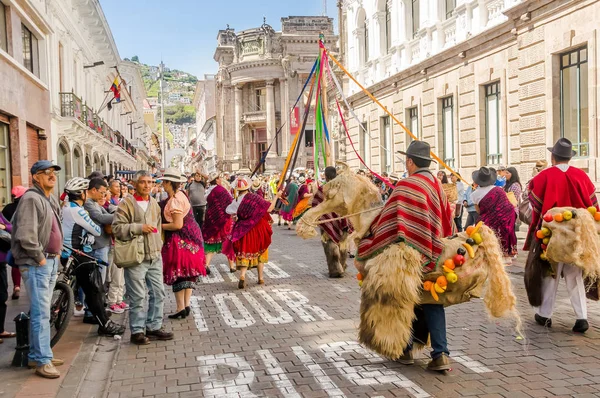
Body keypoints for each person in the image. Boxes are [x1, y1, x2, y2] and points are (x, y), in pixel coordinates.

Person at [354, 141, 455, 371]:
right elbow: (447, 219)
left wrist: (368, 238)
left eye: (405, 160)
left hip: (406, 257)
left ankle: (406, 350)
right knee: (431, 301)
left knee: (402, 300)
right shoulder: (436, 185)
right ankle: (441, 355)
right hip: (434, 252)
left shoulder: (405, 186)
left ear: (410, 161)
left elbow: (387, 219)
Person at [524, 138, 598, 333]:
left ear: (552, 156)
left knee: (550, 272)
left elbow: (535, 208)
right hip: (577, 233)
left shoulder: (543, 176)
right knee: (574, 274)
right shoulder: (581, 176)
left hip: (552, 232)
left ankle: (545, 315)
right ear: (569, 158)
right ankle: (581, 317)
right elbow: (593, 207)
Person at [11, 160, 64, 378]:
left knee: (41, 311)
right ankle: (43, 361)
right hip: (36, 263)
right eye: (46, 172)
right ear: (35, 177)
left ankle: (38, 354)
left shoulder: (48, 198)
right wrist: (40, 257)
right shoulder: (31, 198)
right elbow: (25, 234)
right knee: (42, 313)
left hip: (49, 261)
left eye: (54, 172)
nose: (52, 175)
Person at [112, 170, 173, 345]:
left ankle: (154, 326)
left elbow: (159, 228)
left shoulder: (154, 203)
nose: (147, 185)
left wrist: (159, 246)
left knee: (158, 293)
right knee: (138, 296)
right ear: (135, 183)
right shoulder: (126, 204)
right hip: (136, 257)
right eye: (143, 182)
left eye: (150, 182)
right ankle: (137, 330)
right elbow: (117, 228)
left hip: (154, 256)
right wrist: (138, 228)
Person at [62, 177, 125, 336]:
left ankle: (96, 316)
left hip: (67, 252)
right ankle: (105, 324)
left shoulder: (65, 207)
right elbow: (96, 230)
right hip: (76, 253)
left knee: (90, 288)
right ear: (82, 194)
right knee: (95, 288)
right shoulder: (78, 211)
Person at [159, 168, 206, 319]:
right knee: (187, 273)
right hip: (192, 237)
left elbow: (177, 224)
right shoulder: (181, 194)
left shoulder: (175, 201)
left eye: (164, 182)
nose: (162, 185)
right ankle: (185, 305)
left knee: (178, 272)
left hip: (181, 239)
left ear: (168, 183)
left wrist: (158, 227)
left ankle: (180, 307)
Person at [226, 177, 280, 289]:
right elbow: (269, 209)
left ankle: (242, 275)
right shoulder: (255, 197)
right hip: (258, 228)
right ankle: (260, 277)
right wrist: (277, 196)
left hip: (244, 229)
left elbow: (230, 212)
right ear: (248, 187)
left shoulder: (235, 201)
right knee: (261, 251)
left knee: (245, 251)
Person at [312, 166, 351, 278]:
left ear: (326, 176)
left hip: (328, 221)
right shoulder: (343, 188)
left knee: (330, 245)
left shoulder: (323, 190)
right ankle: (342, 266)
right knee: (342, 243)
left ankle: (335, 269)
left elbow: (315, 204)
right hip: (343, 220)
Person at [471, 167, 517, 262]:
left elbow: (479, 211)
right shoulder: (499, 189)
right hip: (506, 217)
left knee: (482, 226)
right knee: (504, 235)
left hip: (490, 220)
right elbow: (506, 204)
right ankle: (506, 255)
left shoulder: (474, 194)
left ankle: (489, 254)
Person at [203, 172, 236, 274]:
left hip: (211, 219)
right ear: (217, 180)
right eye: (219, 178)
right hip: (223, 220)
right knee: (227, 242)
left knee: (211, 243)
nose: (221, 180)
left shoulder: (208, 191)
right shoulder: (221, 190)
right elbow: (230, 201)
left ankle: (206, 265)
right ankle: (232, 266)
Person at [3, 185, 26, 299]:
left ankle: (16, 286)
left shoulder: (7, 208)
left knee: (15, 263)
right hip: (25, 237)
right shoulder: (26, 207)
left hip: (11, 239)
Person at [0, 211, 15, 342]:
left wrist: (3, 227)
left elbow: (11, 227)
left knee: (2, 296)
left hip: (1, 262)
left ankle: (0, 330)